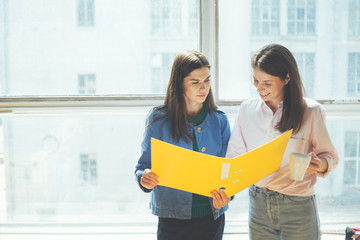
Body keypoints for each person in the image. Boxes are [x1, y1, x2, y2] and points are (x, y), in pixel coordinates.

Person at [226, 43, 339, 240]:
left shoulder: (311, 112)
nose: (259, 88)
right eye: (255, 81)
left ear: (287, 78)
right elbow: (234, 156)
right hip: (258, 203)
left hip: (298, 206)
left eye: (267, 83)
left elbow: (329, 155)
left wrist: (320, 164)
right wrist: (225, 188)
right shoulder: (247, 110)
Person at [135, 50, 231, 240]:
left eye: (207, 80)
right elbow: (143, 166)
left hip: (211, 217)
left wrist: (227, 193)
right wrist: (144, 178)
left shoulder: (220, 120)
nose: (203, 88)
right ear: (180, 84)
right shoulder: (158, 120)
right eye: (195, 82)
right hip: (172, 218)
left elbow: (228, 168)